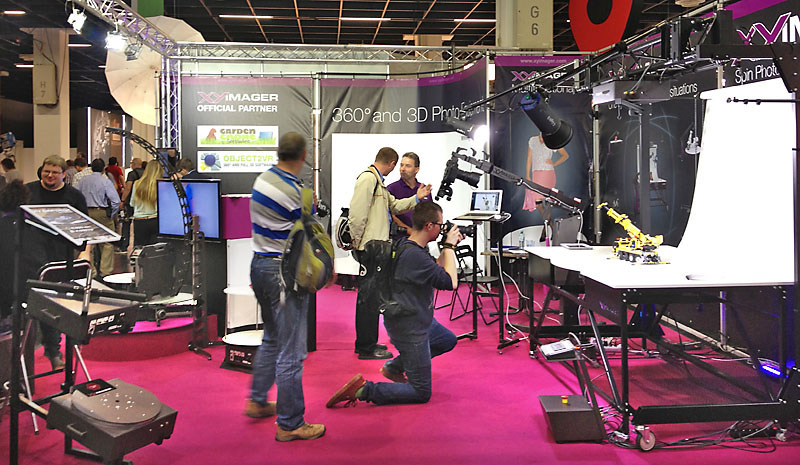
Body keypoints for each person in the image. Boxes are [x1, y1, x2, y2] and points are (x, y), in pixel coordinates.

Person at [327, 201, 462, 408]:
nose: (442, 228)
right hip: (410, 327)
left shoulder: (410, 247)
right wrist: (450, 247)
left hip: (416, 319)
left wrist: (446, 247)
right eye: (440, 225)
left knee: (446, 340)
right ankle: (364, 389)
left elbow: (435, 268)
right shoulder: (414, 256)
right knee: (420, 392)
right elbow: (450, 282)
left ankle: (394, 367)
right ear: (429, 226)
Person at [245, 132, 325, 442]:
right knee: (292, 351)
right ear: (303, 156)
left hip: (259, 266)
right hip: (284, 274)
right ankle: (290, 423)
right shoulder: (297, 192)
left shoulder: (261, 180)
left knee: (272, 337)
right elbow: (309, 233)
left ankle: (257, 400)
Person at [349, 147, 432, 360]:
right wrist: (356, 243)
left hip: (376, 247)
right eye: (400, 165)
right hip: (370, 248)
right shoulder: (368, 179)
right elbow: (357, 215)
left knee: (371, 297)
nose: (401, 169)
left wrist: (416, 198)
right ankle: (366, 347)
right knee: (368, 298)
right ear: (392, 164)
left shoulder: (378, 182)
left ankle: (367, 343)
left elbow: (394, 206)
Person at [26, 155, 89, 370]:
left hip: (62, 259)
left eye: (55, 172)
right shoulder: (29, 191)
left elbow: (83, 226)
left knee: (56, 305)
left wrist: (80, 252)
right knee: (35, 303)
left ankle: (54, 350)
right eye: (46, 171)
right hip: (30, 258)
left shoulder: (74, 196)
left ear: (64, 174)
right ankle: (33, 352)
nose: (50, 176)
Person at [75, 158, 120, 278]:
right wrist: (111, 214)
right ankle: (105, 271)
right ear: (103, 169)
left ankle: (91, 271)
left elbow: (76, 196)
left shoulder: (82, 180)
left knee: (88, 243)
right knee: (107, 242)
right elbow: (115, 201)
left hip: (86, 213)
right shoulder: (105, 181)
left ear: (91, 168)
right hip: (101, 212)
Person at [386, 152, 432, 237]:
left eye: (408, 166)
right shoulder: (391, 188)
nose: (403, 169)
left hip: (422, 239)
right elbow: (390, 215)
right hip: (399, 239)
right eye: (401, 165)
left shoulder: (424, 190)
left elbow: (430, 214)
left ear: (416, 169)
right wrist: (410, 231)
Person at [522, 134, 569, 213]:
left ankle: (547, 220)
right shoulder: (533, 140)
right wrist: (527, 174)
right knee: (537, 203)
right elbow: (529, 158)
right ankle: (548, 220)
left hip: (548, 174)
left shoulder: (552, 141)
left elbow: (565, 155)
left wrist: (555, 163)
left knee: (548, 201)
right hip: (536, 174)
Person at [130, 159, 162, 246]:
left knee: (141, 249)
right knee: (155, 250)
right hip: (155, 220)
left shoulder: (137, 184)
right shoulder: (160, 185)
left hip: (139, 221)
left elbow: (132, 203)